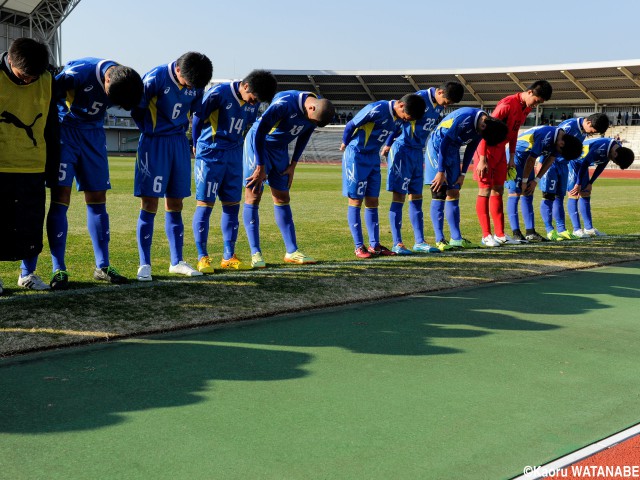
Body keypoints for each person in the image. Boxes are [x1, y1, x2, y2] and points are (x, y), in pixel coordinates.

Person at [46, 57, 143, 289]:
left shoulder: (126, 79)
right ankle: (58, 268)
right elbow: (48, 96)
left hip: (94, 136)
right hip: (66, 133)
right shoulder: (79, 73)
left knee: (98, 199)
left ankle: (102, 265)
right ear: (106, 79)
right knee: (60, 198)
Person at [132, 52, 213, 281]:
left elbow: (197, 111)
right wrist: (149, 130)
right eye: (190, 83)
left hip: (179, 143)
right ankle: (144, 264)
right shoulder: (155, 78)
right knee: (149, 202)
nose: (192, 88)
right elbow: (136, 109)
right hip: (154, 143)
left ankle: (176, 261)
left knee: (176, 202)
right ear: (178, 71)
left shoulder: (196, 83)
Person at [191, 70, 277, 272]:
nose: (253, 103)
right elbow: (197, 119)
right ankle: (202, 257)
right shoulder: (218, 93)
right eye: (253, 99)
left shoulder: (252, 104)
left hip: (234, 156)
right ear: (245, 86)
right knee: (205, 205)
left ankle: (229, 255)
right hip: (211, 155)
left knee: (232, 206)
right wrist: (195, 145)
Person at [243, 90, 335, 267]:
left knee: (282, 197)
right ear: (310, 107)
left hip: (280, 150)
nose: (311, 123)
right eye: (312, 120)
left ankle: (291, 251)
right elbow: (260, 131)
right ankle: (256, 253)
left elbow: (305, 135)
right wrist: (260, 166)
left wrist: (293, 164)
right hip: (259, 146)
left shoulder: (314, 112)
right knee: (254, 194)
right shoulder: (283, 104)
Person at [0, 38, 59, 294]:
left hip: (33, 166)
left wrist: (53, 166)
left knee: (31, 225)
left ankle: (28, 274)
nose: (29, 81)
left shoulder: (46, 78)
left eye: (33, 77)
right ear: (10, 60)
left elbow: (52, 125)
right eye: (24, 76)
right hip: (2, 166)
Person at [382, 82, 464, 255]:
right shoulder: (418, 99)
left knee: (417, 197)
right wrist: (388, 144)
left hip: (417, 152)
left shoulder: (437, 106)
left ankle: (419, 241)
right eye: (446, 102)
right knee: (399, 197)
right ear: (440, 92)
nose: (446, 106)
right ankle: (398, 243)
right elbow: (397, 120)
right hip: (402, 149)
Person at [341, 94, 426, 258]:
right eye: (406, 117)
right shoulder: (376, 109)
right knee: (356, 200)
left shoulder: (399, 118)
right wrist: (345, 142)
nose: (406, 120)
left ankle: (375, 245)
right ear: (400, 105)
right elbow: (351, 124)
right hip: (357, 155)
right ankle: (359, 246)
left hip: (373, 157)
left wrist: (387, 145)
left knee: (373, 200)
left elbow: (394, 131)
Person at [473, 80, 552, 247]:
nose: (537, 105)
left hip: (501, 152)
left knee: (498, 190)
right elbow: (484, 130)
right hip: (486, 151)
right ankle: (486, 235)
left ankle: (500, 234)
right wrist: (482, 158)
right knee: (485, 190)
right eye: (537, 101)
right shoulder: (507, 104)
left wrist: (511, 157)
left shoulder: (526, 108)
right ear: (530, 92)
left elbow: (514, 133)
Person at [425, 107, 508, 251]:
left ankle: (456, 238)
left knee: (454, 191)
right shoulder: (465, 117)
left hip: (453, 150)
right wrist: (440, 171)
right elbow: (444, 142)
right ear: (483, 124)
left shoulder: (483, 127)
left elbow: (471, 148)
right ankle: (440, 240)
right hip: (438, 148)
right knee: (439, 191)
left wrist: (462, 174)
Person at [506, 125, 583, 242]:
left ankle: (530, 232)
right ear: (561, 144)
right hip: (516, 156)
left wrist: (536, 180)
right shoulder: (546, 135)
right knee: (515, 194)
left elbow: (550, 160)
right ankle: (516, 232)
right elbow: (532, 160)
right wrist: (525, 181)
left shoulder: (562, 140)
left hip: (527, 159)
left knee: (528, 193)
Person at [539, 113, 609, 241]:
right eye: (593, 131)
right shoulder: (568, 126)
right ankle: (549, 230)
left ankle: (562, 230)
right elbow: (551, 142)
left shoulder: (583, 131)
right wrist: (541, 163)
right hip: (552, 164)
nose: (592, 134)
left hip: (564, 165)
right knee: (549, 196)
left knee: (560, 197)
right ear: (588, 123)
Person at [567, 137, 634, 237]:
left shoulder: (616, 149)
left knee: (586, 193)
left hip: (583, 166)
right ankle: (576, 230)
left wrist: (590, 183)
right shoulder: (601, 146)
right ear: (615, 154)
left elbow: (602, 165)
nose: (614, 162)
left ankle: (588, 228)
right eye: (616, 162)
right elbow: (585, 163)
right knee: (574, 193)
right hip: (573, 162)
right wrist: (578, 183)